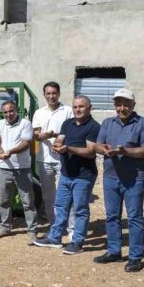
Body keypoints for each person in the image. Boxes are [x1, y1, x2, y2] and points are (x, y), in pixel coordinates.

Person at [93, 89, 144, 273]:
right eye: (119, 104)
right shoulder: (107, 123)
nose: (122, 108)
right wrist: (102, 148)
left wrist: (125, 152)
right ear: (115, 106)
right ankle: (114, 251)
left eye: (126, 104)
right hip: (110, 177)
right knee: (112, 216)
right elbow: (98, 145)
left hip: (134, 178)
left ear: (133, 105)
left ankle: (135, 257)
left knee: (134, 217)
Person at [34, 96, 100, 254]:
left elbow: (91, 152)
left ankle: (77, 242)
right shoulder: (67, 123)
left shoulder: (94, 126)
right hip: (66, 173)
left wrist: (68, 149)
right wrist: (57, 145)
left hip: (83, 175)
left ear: (89, 108)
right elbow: (60, 139)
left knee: (80, 209)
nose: (78, 110)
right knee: (60, 206)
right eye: (75, 107)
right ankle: (55, 238)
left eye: (81, 107)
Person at [0, 100, 38, 244]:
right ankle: (5, 227)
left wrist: (9, 152)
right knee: (4, 200)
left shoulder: (25, 123)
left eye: (11, 111)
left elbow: (25, 144)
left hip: (22, 168)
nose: (8, 114)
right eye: (5, 112)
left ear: (16, 110)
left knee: (28, 201)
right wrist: (0, 151)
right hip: (3, 167)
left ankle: (32, 230)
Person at [31, 82, 73, 235]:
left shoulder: (68, 111)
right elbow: (35, 133)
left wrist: (55, 135)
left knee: (67, 195)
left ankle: (70, 227)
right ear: (44, 95)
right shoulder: (39, 112)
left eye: (54, 93)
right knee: (48, 196)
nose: (51, 96)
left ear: (59, 94)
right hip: (44, 158)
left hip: (64, 158)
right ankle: (55, 225)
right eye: (48, 94)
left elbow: (72, 132)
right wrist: (39, 135)